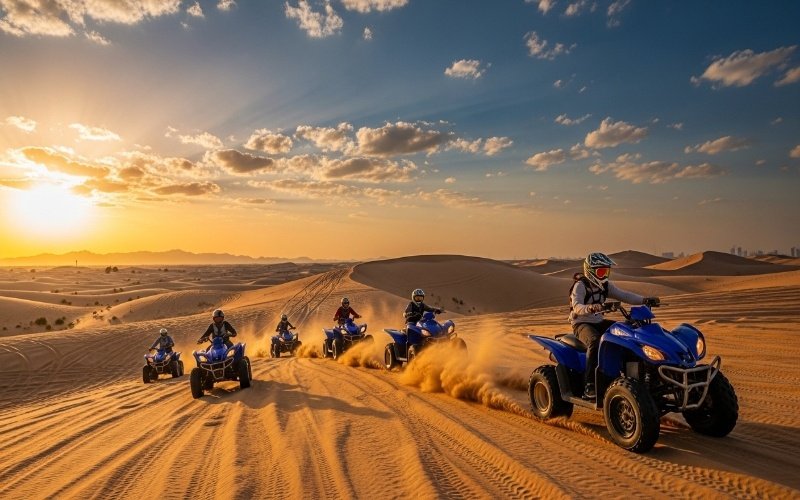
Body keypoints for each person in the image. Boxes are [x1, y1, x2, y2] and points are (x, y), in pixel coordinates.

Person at [569, 252, 660, 400]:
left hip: (599, 322)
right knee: (595, 341)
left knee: (627, 335)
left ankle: (637, 378)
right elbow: (577, 306)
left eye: (606, 271)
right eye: (601, 271)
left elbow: (624, 295)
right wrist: (592, 308)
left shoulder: (605, 286)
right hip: (581, 323)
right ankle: (590, 384)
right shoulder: (580, 286)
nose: (604, 274)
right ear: (590, 271)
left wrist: (645, 300)